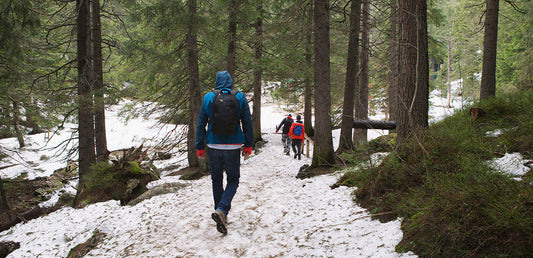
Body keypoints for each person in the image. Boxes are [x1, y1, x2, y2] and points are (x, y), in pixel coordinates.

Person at [195, 71, 253, 235]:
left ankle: (220, 212)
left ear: (217, 82)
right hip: (233, 146)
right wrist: (248, 144)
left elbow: (201, 123)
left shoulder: (208, 97)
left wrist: (199, 146)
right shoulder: (240, 97)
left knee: (216, 180)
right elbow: (247, 121)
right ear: (230, 82)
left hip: (213, 144)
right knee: (233, 180)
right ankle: (222, 210)